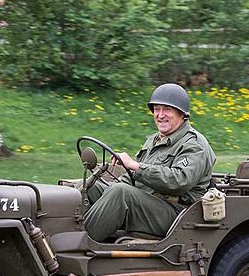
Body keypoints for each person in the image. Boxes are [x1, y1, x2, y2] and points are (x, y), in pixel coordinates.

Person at [83, 83, 216, 242]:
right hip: (151, 202)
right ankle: (59, 235)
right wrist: (121, 176)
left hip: (177, 215)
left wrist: (135, 166)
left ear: (182, 114)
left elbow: (179, 181)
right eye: (156, 109)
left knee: (120, 193)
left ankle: (80, 244)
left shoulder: (194, 144)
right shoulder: (155, 139)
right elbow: (134, 178)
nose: (160, 115)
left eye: (167, 109)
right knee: (90, 187)